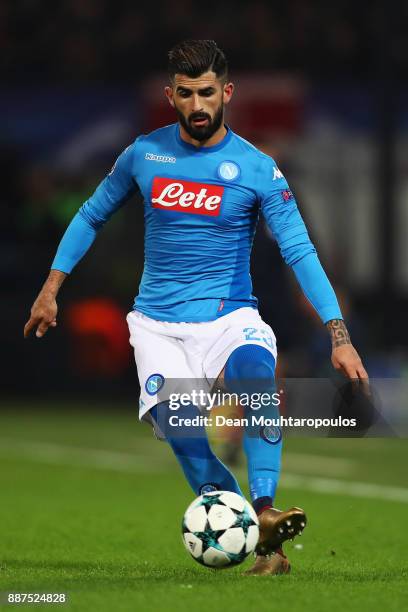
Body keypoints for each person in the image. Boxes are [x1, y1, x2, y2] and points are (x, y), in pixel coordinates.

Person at [24, 40, 368, 575]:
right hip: (157, 326)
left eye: (207, 92)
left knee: (256, 380)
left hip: (231, 318)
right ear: (172, 96)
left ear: (226, 92)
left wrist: (338, 335)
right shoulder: (144, 154)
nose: (198, 104)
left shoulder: (257, 169)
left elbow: (298, 248)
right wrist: (51, 287)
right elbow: (91, 215)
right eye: (186, 94)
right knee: (184, 435)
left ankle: (263, 513)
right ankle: (260, 536)